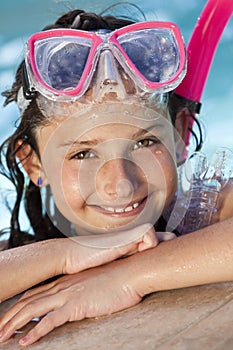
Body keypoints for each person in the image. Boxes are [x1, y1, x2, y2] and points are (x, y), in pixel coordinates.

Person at [0, 6, 233, 347]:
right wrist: (65, 255)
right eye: (82, 153)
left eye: (145, 142)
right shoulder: (24, 256)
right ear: (33, 162)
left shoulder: (209, 210)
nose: (121, 183)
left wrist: (129, 276)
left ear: (180, 135)